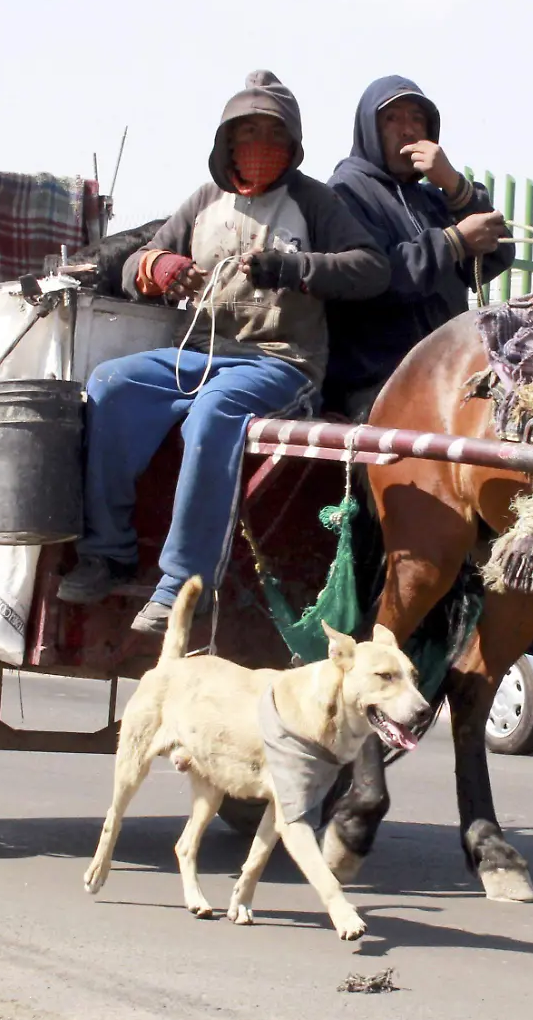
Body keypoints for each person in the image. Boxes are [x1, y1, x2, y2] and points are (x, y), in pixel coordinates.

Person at [56, 71, 390, 635]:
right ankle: (106, 552)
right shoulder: (204, 201)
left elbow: (372, 268)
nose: (258, 145)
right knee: (112, 384)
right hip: (200, 351)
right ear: (226, 142)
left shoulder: (315, 201)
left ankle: (184, 586)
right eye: (246, 132)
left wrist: (295, 269)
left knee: (215, 414)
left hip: (282, 362)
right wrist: (162, 270)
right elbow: (143, 263)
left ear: (292, 143)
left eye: (272, 134)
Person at [325, 75, 533, 667]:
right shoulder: (346, 193)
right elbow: (374, 276)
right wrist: (453, 242)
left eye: (417, 121)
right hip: (375, 374)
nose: (408, 133)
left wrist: (454, 187)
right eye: (393, 122)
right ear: (367, 129)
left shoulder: (433, 194)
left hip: (447, 376)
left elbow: (499, 251)